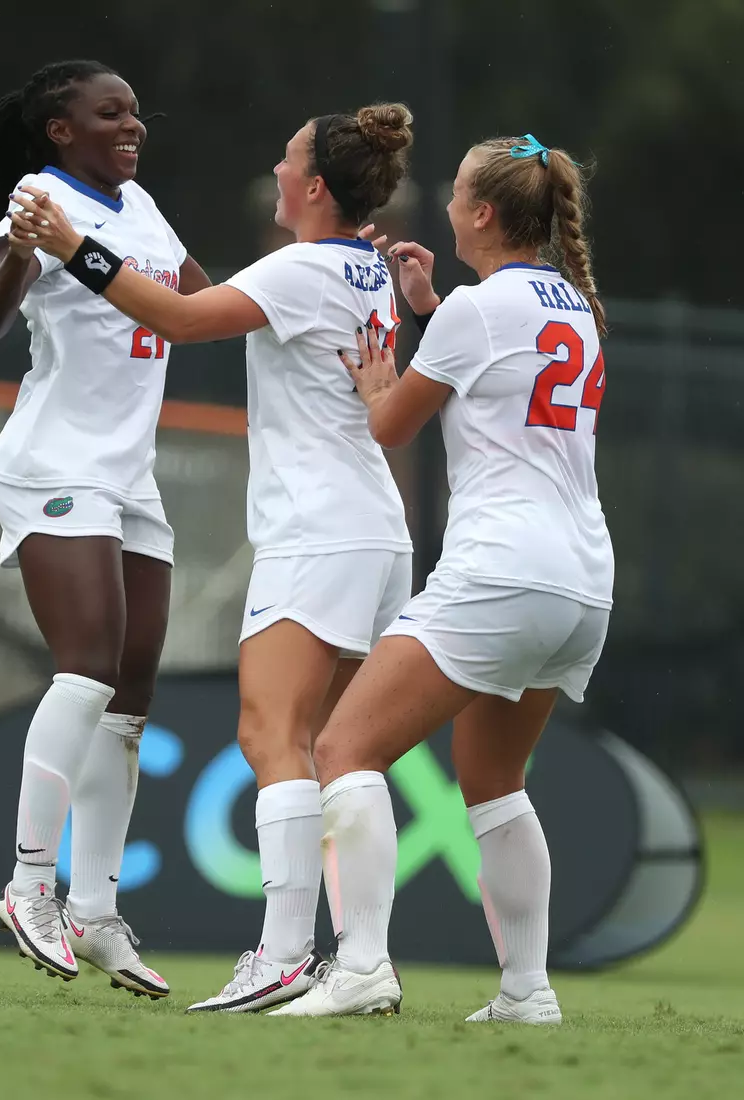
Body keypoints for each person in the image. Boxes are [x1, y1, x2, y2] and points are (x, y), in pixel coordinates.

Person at [8, 102, 415, 1013]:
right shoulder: (365, 267)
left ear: (313, 187)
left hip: (316, 533)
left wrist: (76, 244)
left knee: (272, 739)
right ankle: (361, 965)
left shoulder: (307, 266)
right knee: (339, 753)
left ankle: (279, 954)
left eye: (285, 158)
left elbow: (181, 319)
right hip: (375, 533)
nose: (273, 170)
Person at [270, 134, 612, 1022]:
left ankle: (362, 967)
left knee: (345, 750)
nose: (446, 202)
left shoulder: (477, 310)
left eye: (456, 191)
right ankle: (526, 991)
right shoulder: (568, 303)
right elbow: (497, 374)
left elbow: (389, 427)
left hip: (503, 570)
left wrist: (381, 379)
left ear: (483, 214)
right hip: (581, 580)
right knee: (495, 780)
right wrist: (430, 310)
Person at [0, 60, 212, 1000]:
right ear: (61, 130)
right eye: (110, 112)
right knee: (86, 665)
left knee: (128, 702)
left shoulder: (139, 202)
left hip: (129, 475)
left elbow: (194, 301)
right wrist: (16, 252)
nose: (132, 124)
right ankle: (27, 886)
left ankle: (94, 910)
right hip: (55, 464)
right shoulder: (42, 198)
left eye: (135, 109)